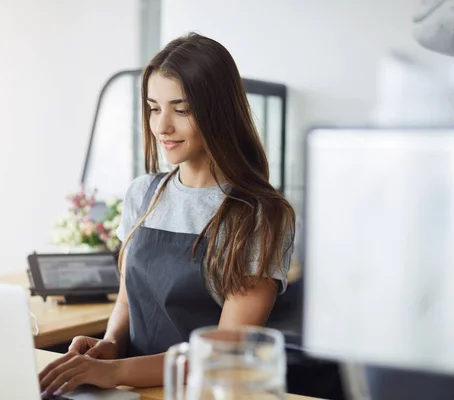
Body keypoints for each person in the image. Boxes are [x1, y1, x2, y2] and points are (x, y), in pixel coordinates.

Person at [38, 32, 295, 397]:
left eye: (181, 109)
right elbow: (128, 299)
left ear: (218, 111)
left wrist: (110, 372)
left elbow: (220, 353)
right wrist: (108, 345)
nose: (162, 127)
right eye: (154, 108)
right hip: (127, 390)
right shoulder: (142, 194)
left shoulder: (260, 216)